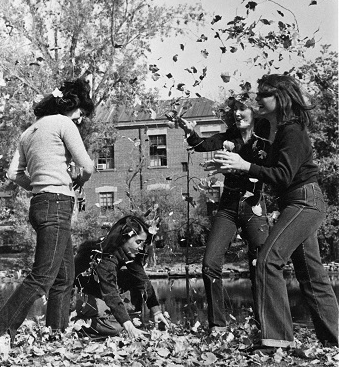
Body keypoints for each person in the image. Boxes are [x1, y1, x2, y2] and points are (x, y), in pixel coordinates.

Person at [217, 74, 339, 349]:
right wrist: (234, 166)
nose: (257, 99)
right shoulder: (275, 131)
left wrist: (244, 166)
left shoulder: (292, 130)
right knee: (312, 276)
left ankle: (278, 340)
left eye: (263, 95)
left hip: (304, 202)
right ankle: (335, 342)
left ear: (280, 98)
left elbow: (282, 176)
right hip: (296, 203)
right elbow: (267, 171)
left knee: (268, 261)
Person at [0, 78, 95, 351]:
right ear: (73, 107)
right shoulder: (64, 124)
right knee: (43, 275)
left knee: (64, 277)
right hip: (58, 203)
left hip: (39, 205)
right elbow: (88, 165)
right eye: (81, 114)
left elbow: (13, 173)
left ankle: (55, 336)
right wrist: (79, 180)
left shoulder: (28, 132)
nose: (81, 120)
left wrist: (38, 185)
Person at [173, 92, 271, 333]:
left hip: (253, 205)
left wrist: (235, 155)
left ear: (254, 111)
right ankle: (217, 325)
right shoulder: (229, 136)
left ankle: (264, 325)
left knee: (260, 265)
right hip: (227, 205)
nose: (237, 114)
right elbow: (201, 145)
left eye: (242, 109)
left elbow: (265, 166)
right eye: (234, 110)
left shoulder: (265, 138)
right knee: (210, 264)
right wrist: (189, 130)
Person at [73, 215, 170, 339]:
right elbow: (110, 293)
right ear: (124, 238)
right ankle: (80, 322)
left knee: (133, 277)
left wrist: (156, 311)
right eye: (138, 242)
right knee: (116, 328)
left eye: (143, 243)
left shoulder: (128, 253)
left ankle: (130, 317)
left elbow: (142, 280)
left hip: (100, 293)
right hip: (85, 295)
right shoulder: (105, 256)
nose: (140, 248)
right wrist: (128, 326)